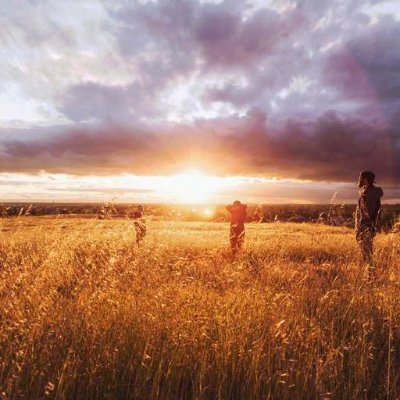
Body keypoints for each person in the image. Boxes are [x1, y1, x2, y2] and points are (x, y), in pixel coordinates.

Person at [355, 171, 383, 279]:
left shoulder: (368, 193)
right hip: (369, 227)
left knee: (366, 253)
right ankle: (370, 275)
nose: (359, 180)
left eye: (361, 178)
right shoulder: (372, 192)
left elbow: (367, 213)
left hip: (365, 227)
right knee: (367, 252)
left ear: (365, 179)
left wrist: (364, 227)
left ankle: (371, 277)